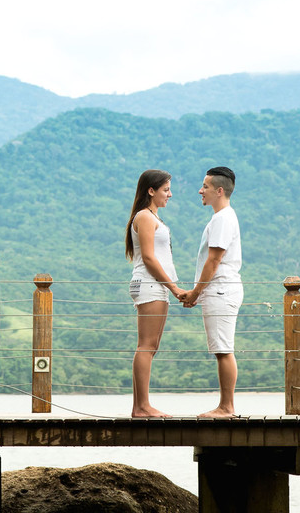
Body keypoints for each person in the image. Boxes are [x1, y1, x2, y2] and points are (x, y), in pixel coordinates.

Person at [125, 169, 187, 418]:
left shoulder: (151, 217)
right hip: (150, 285)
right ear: (151, 190)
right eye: (166, 190)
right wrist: (173, 287)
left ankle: (140, 406)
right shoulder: (145, 217)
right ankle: (142, 406)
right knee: (146, 346)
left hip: (156, 286)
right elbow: (149, 258)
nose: (170, 194)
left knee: (151, 346)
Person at [182, 166, 243, 418]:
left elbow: (214, 260)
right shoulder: (222, 217)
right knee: (221, 348)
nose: (200, 190)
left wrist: (196, 292)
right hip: (219, 290)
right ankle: (225, 405)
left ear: (219, 191)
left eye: (205, 186)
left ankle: (226, 407)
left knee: (223, 348)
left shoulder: (222, 219)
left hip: (221, 290)